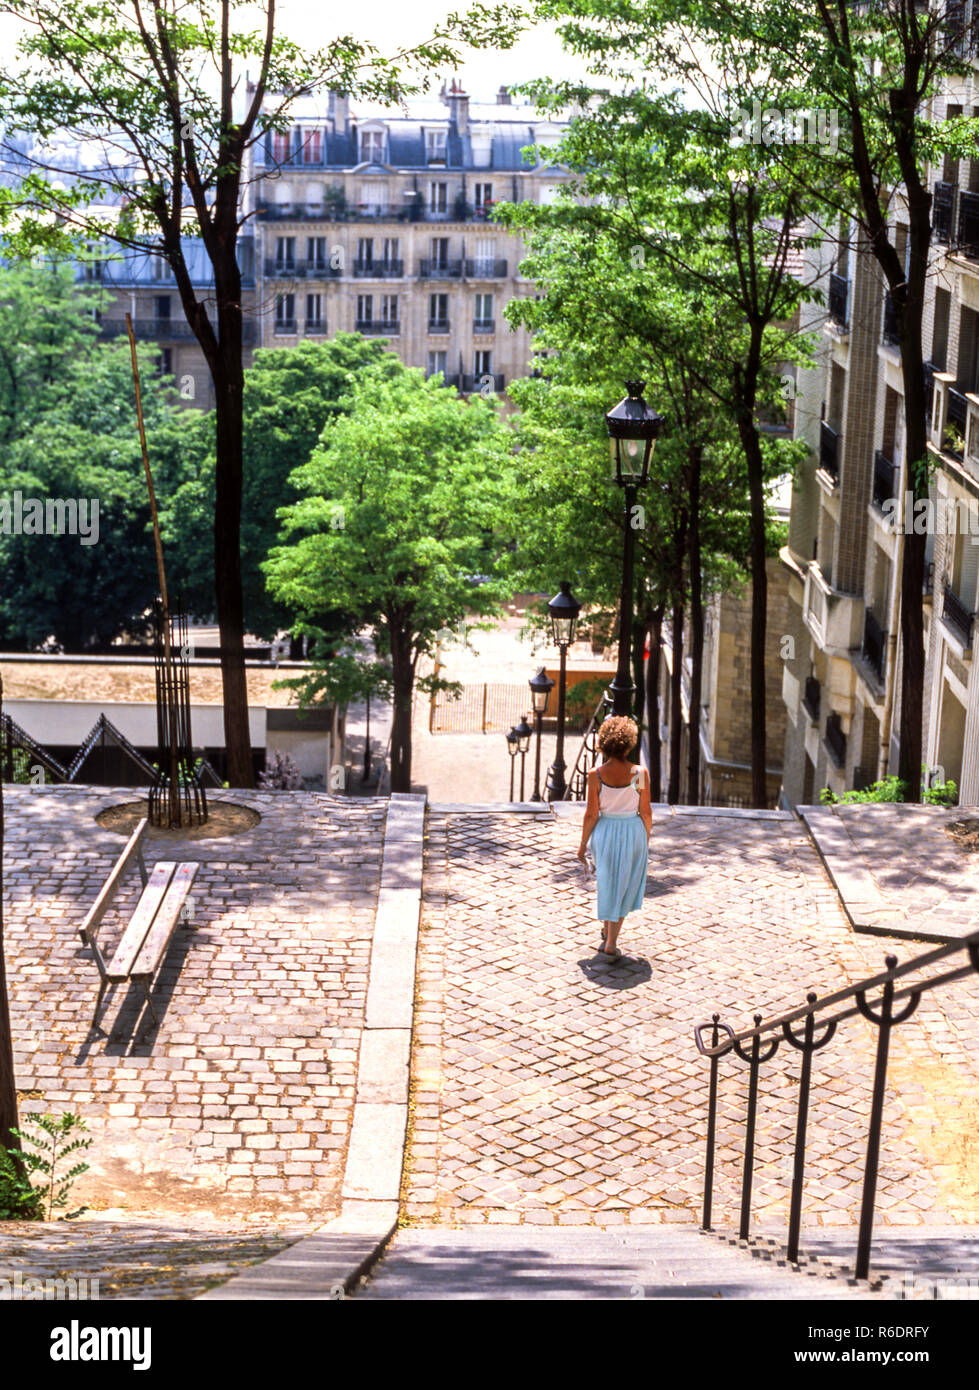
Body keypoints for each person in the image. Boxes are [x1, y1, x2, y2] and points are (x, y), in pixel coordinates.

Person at [576, 715, 652, 959]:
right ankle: (611, 941)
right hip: (633, 830)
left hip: (605, 832)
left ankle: (607, 932)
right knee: (625, 883)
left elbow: (591, 814)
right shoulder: (640, 773)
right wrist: (645, 838)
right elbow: (646, 811)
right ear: (629, 744)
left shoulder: (595, 775)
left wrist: (582, 845)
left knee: (608, 881)